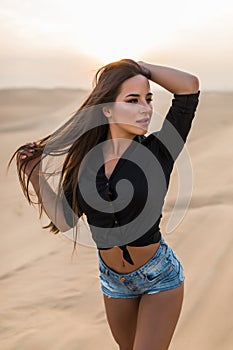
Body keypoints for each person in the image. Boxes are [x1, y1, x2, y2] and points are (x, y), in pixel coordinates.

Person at [8, 59, 200, 350]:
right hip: (113, 281)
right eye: (133, 100)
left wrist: (138, 66)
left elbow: (188, 88)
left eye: (148, 99)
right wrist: (34, 173)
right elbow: (65, 221)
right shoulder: (85, 163)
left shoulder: (160, 151)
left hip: (159, 276)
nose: (146, 108)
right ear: (106, 109)